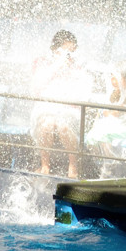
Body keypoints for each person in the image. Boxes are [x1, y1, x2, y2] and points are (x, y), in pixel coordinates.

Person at [30, 30, 90, 178]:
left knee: (63, 125)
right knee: (47, 124)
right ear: (55, 50)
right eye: (66, 51)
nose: (69, 55)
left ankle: (73, 164)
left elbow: (84, 94)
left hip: (69, 110)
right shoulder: (43, 63)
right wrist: (57, 65)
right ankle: (45, 165)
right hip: (46, 109)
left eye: (72, 51)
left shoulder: (80, 67)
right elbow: (35, 88)